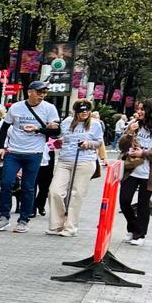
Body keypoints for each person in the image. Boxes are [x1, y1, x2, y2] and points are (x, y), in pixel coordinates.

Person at [0, 80, 60, 233]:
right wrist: (1, 147)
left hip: (34, 152)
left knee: (28, 187)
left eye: (44, 92)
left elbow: (56, 132)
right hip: (13, 152)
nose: (42, 95)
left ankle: (24, 219)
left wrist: (38, 129)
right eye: (39, 92)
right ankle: (4, 216)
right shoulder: (16, 107)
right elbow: (4, 127)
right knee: (6, 183)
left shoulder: (49, 109)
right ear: (30, 92)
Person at [47, 101, 104, 237]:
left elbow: (99, 142)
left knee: (76, 194)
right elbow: (60, 135)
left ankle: (70, 227)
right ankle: (57, 224)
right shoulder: (67, 122)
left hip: (84, 161)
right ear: (75, 112)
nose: (84, 113)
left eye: (87, 110)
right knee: (54, 191)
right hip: (65, 160)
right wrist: (58, 139)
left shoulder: (95, 124)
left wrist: (88, 143)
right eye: (81, 110)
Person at [118, 99, 152, 245]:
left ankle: (140, 235)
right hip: (131, 170)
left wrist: (143, 153)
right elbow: (122, 146)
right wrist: (129, 133)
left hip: (149, 173)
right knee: (124, 201)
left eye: (143, 109)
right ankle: (134, 227)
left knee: (143, 204)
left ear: (151, 111)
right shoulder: (135, 125)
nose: (139, 112)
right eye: (138, 109)